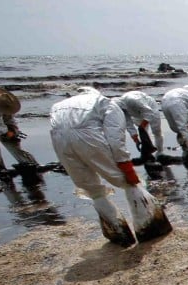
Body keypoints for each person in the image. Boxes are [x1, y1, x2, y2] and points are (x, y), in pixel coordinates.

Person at [49, 88, 170, 246]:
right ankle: (148, 225)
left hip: (58, 139)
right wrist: (126, 166)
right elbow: (115, 140)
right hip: (88, 136)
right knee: (126, 181)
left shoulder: (58, 105)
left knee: (91, 188)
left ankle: (118, 232)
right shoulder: (109, 104)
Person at [112, 90, 164, 160]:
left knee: (156, 131)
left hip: (150, 108)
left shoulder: (132, 100)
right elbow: (128, 124)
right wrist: (135, 139)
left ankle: (160, 152)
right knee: (144, 133)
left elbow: (149, 112)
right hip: (136, 114)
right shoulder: (122, 110)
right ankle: (148, 152)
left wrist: (142, 125)